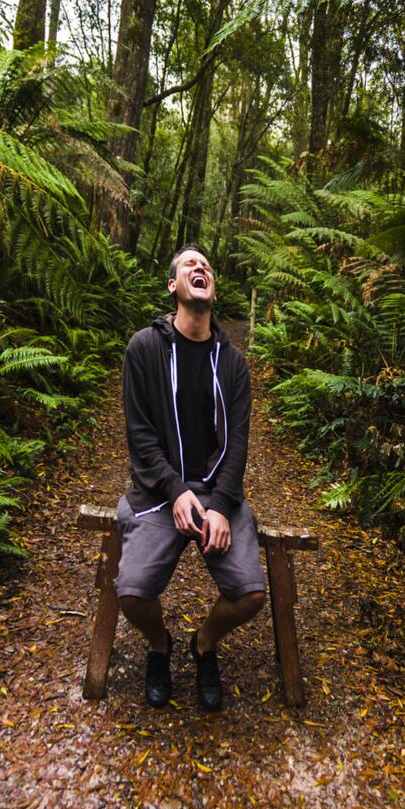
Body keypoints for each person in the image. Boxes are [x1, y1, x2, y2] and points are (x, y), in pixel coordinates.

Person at [114, 244, 266, 709]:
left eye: (206, 266)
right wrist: (176, 490)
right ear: (173, 286)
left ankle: (203, 644)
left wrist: (220, 504)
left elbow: (237, 445)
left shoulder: (233, 363)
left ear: (211, 288)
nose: (200, 268)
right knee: (133, 593)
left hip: (218, 492)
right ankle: (160, 646)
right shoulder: (144, 349)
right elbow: (140, 436)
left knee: (250, 594)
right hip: (159, 492)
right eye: (189, 265)